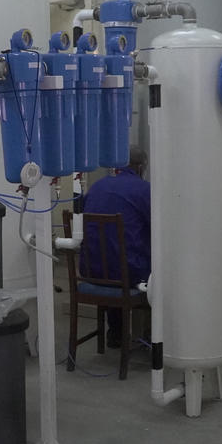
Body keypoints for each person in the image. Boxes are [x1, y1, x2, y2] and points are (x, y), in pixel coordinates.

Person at [79, 144, 151, 348]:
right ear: (141, 167)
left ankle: (116, 333)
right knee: (158, 273)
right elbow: (159, 226)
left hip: (91, 271)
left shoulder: (98, 186)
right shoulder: (144, 190)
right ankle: (153, 338)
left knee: (114, 260)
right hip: (127, 274)